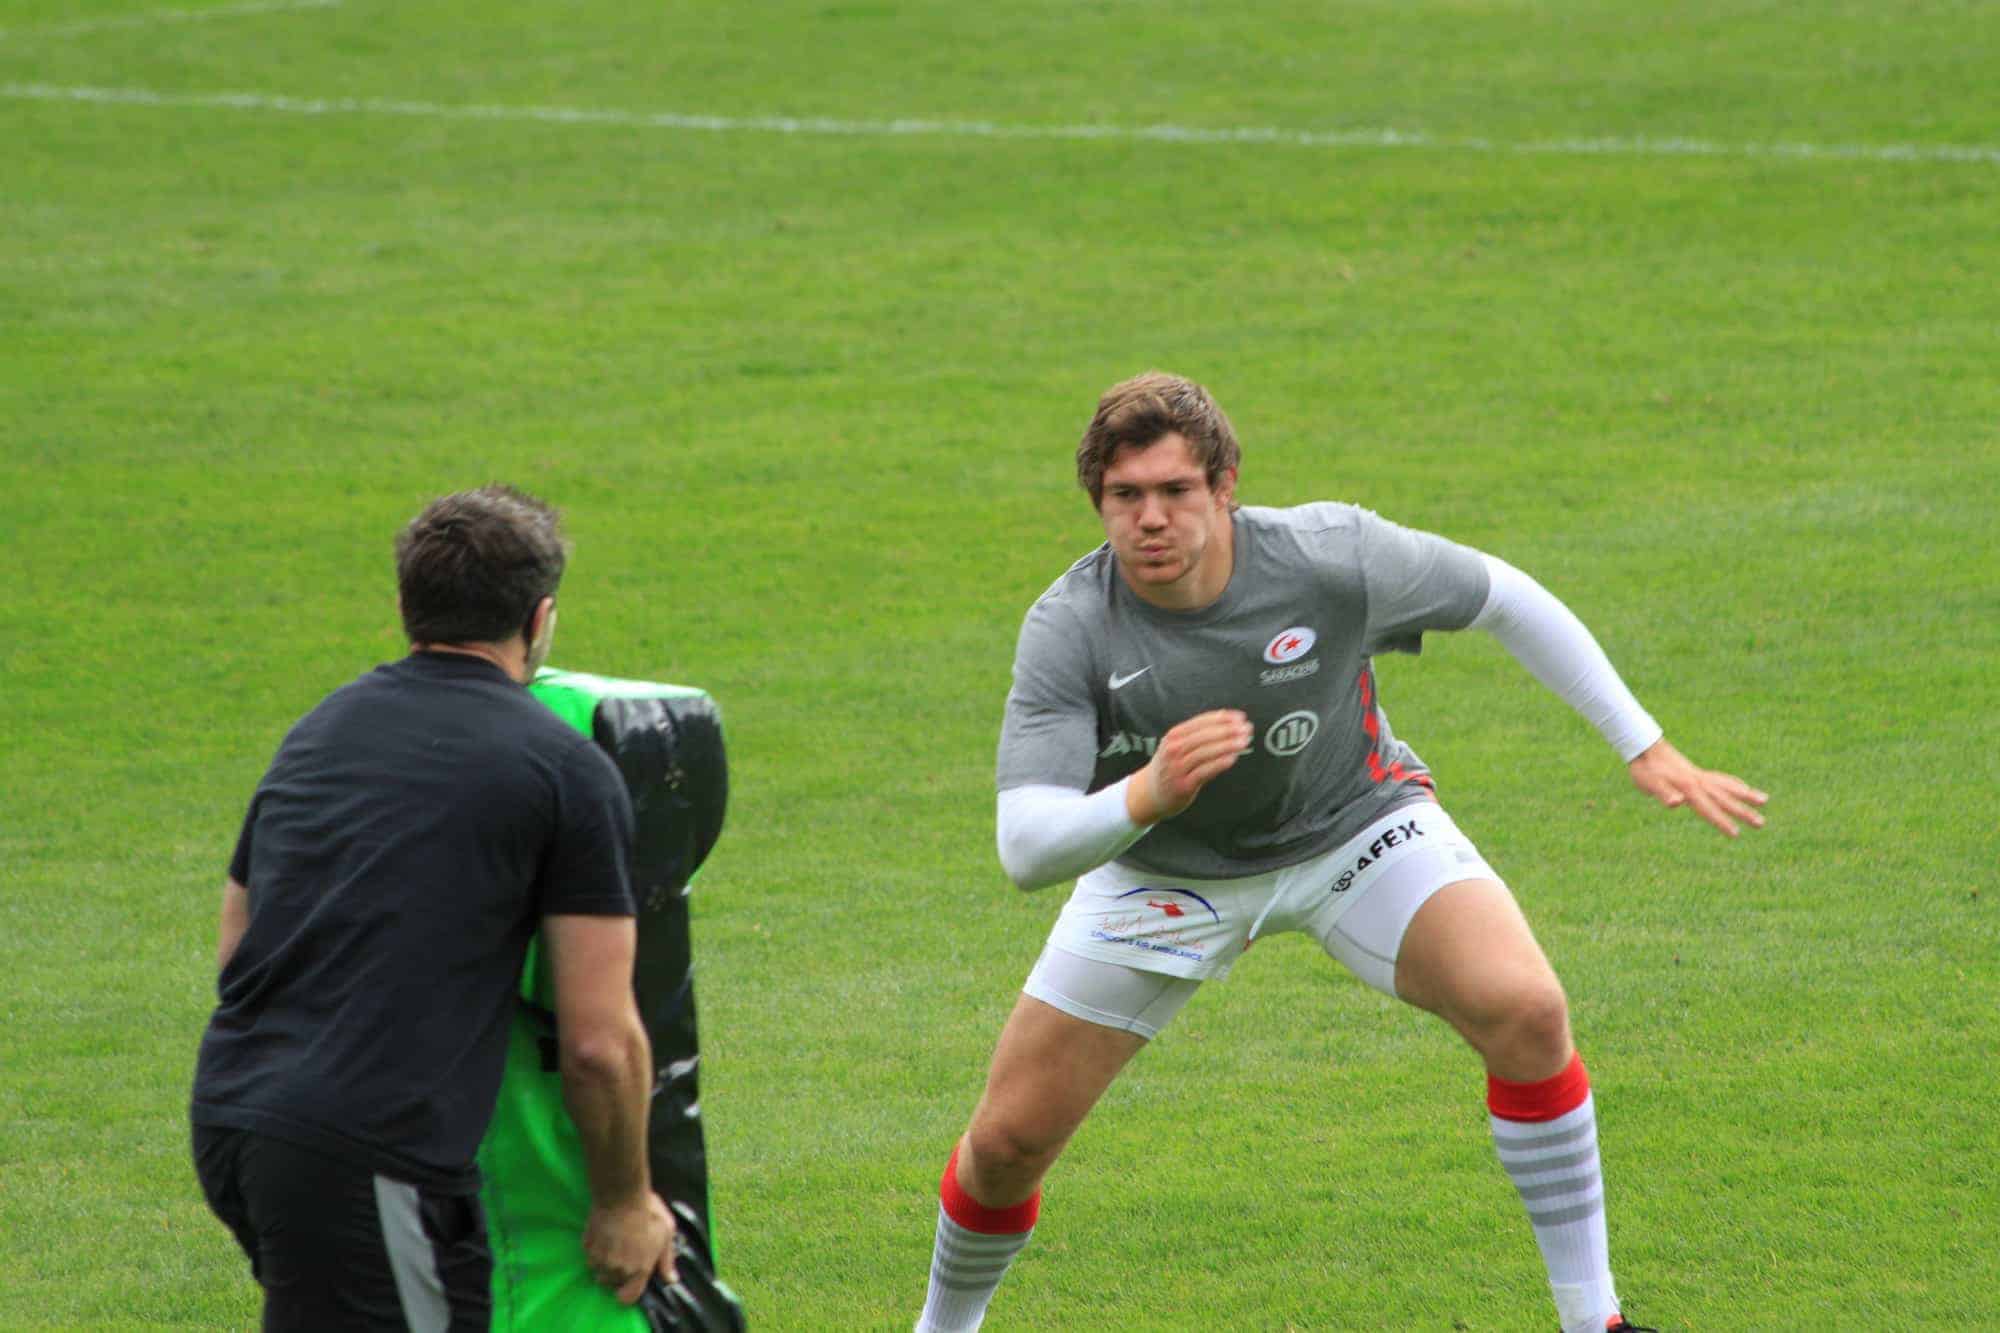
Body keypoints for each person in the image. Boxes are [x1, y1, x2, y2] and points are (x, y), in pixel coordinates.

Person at [914, 373, 1768, 1333]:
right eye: (1125, 496)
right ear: (1098, 502)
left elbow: (1502, 596)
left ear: (1225, 484)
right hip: (1167, 874)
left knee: (1526, 1009)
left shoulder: (1331, 557)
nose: (1151, 519)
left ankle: (1594, 1323)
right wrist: (1146, 794)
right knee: (1011, 1140)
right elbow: (1025, 846)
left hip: (1355, 827)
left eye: (1176, 491)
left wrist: (1642, 743)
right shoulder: (1072, 625)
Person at [192, 485, 676, 1330]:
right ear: (541, 616)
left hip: (233, 1116)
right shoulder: (563, 768)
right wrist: (626, 1203)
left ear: (407, 606)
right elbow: (601, 1042)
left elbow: (239, 947)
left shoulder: (318, 732)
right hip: (367, 1154)